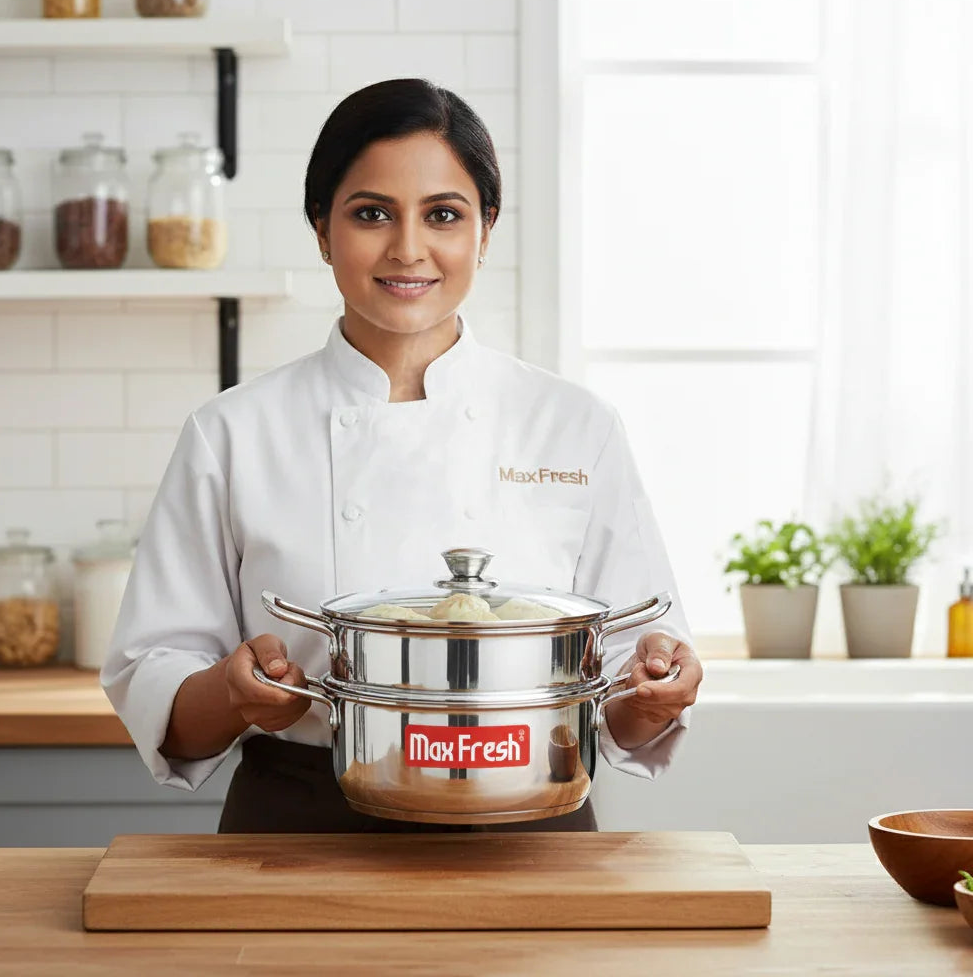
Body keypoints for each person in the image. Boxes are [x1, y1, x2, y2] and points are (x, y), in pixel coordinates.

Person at [101, 78, 703, 834]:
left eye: (443, 215)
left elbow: (629, 689)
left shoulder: (576, 426)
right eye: (371, 213)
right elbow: (156, 680)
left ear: (486, 228)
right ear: (322, 230)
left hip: (528, 823)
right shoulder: (232, 433)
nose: (408, 249)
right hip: (300, 829)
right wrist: (230, 694)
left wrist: (653, 691)